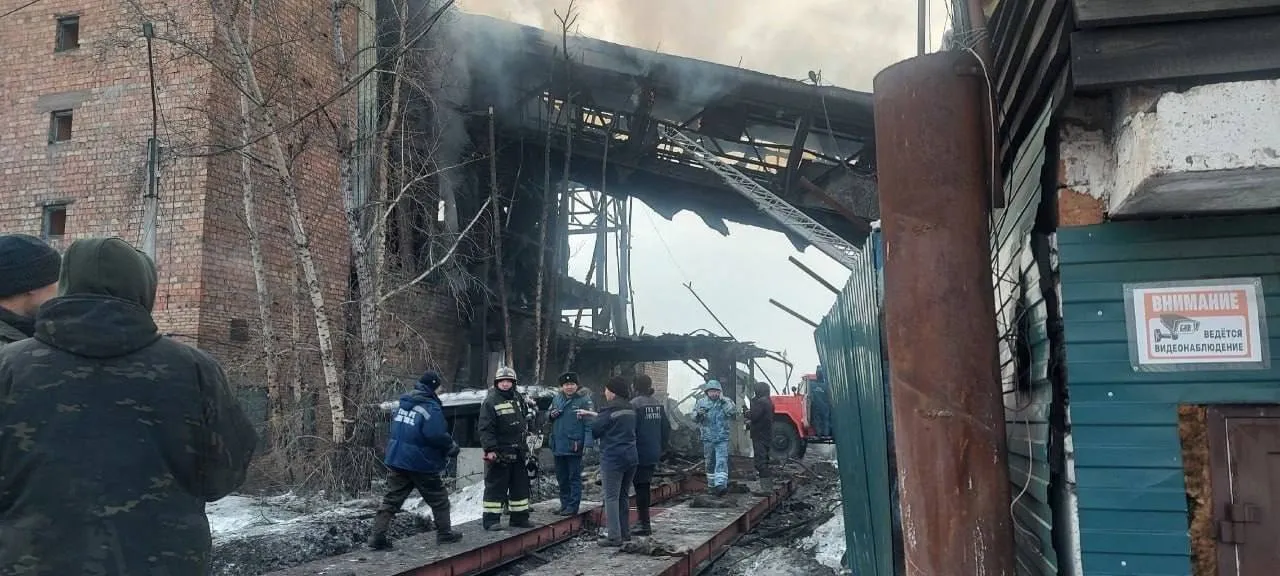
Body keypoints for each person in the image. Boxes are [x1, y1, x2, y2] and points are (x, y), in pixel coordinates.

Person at [0, 237, 257, 575]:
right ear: (144, 289)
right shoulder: (194, 369)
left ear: (66, 285)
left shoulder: (9, 367)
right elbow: (223, 477)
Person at [368, 370, 464, 550]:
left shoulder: (403, 404)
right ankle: (445, 534)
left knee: (391, 500)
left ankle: (377, 536)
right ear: (433, 386)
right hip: (421, 462)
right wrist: (450, 446)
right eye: (439, 386)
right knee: (439, 499)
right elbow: (435, 434)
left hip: (397, 459)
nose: (441, 390)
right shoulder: (429, 406)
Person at [578, 376, 638, 547]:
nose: (604, 392)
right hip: (631, 456)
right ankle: (625, 533)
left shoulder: (609, 409)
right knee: (623, 496)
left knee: (611, 497)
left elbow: (596, 429)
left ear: (612, 391)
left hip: (613, 457)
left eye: (606, 389)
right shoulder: (631, 407)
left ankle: (613, 536)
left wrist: (591, 420)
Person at [478, 365, 535, 531]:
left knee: (520, 486)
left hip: (518, 450)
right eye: (502, 381)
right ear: (497, 383)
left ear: (513, 382)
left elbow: (524, 418)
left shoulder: (517, 398)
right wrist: (490, 450)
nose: (505, 384)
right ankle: (491, 521)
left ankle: (519, 518)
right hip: (500, 452)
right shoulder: (490, 401)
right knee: (496, 487)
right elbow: (485, 428)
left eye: (508, 381)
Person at [0, 234, 61, 347]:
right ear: (34, 285)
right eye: (57, 280)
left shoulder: (20, 334)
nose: (60, 290)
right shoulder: (11, 352)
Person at [548, 371, 593, 515]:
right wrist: (550, 415)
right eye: (566, 385)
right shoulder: (556, 399)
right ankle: (564, 504)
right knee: (561, 477)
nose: (569, 387)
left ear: (577, 385)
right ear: (561, 386)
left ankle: (573, 506)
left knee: (574, 477)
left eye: (572, 384)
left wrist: (588, 444)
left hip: (574, 445)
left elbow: (589, 424)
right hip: (558, 444)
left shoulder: (584, 400)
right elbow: (547, 416)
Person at [630, 373, 669, 536]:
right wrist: (662, 448)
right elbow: (666, 427)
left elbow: (630, 429)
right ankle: (643, 522)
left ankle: (644, 524)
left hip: (639, 452)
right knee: (644, 486)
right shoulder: (657, 403)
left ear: (635, 387)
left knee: (640, 488)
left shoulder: (634, 404)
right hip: (653, 451)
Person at [693, 379, 738, 495]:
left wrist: (724, 402)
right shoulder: (701, 403)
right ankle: (711, 485)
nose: (714, 394)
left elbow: (733, 412)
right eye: (711, 391)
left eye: (716, 391)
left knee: (721, 460)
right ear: (707, 392)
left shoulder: (726, 402)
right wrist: (699, 414)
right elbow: (693, 417)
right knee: (709, 462)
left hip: (721, 438)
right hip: (707, 438)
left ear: (720, 392)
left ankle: (721, 485)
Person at [745, 381, 775, 485]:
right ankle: (767, 485)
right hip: (766, 434)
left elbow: (754, 416)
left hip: (759, 435)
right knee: (765, 459)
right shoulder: (769, 401)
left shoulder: (761, 402)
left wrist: (746, 412)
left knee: (760, 462)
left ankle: (766, 487)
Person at [810, 365, 832, 438]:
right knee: (826, 419)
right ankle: (826, 434)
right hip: (825, 406)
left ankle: (819, 434)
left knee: (817, 419)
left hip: (816, 405)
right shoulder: (826, 386)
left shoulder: (812, 385)